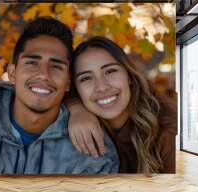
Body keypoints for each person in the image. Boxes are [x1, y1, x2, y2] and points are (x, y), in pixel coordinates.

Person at [0, 17, 119, 174]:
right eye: (32, 63)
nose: (44, 75)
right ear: (12, 73)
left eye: (56, 66)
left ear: (68, 82)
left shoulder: (93, 149)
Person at [67, 36, 177, 174]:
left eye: (110, 71)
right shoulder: (66, 125)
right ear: (76, 90)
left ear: (129, 75)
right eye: (86, 78)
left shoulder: (170, 132)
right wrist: (75, 108)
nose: (102, 87)